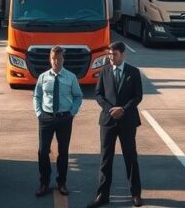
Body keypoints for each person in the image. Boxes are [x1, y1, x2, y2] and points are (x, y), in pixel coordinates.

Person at [88, 41, 143, 207]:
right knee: (106, 159)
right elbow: (98, 94)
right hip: (108, 121)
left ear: (123, 54)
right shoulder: (104, 71)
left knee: (130, 158)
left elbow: (137, 96)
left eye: (114, 54)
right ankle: (102, 195)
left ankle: (136, 194)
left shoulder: (133, 72)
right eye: (109, 54)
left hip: (127, 121)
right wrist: (111, 109)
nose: (111, 57)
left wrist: (123, 110)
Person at [33, 46, 83, 197]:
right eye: (53, 59)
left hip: (64, 118)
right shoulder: (43, 77)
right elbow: (37, 96)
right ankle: (44, 182)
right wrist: (39, 113)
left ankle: (62, 182)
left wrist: (72, 113)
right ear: (50, 59)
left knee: (63, 151)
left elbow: (78, 96)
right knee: (43, 151)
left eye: (59, 59)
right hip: (46, 118)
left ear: (63, 59)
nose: (56, 62)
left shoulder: (71, 77)